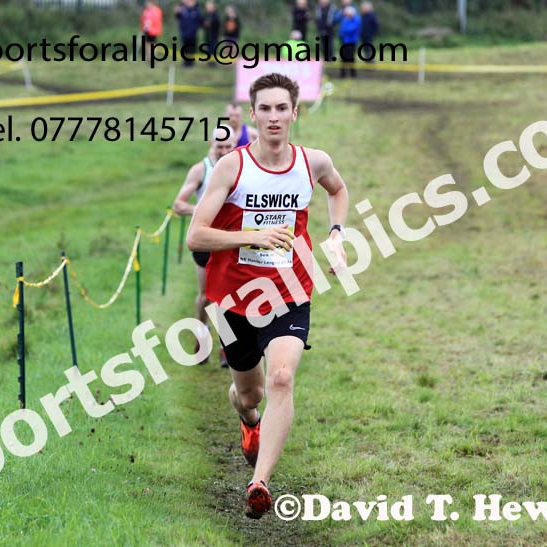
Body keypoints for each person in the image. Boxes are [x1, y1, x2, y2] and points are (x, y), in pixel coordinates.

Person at [187, 73, 349, 519]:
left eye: (283, 108)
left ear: (295, 113)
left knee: (281, 378)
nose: (274, 117)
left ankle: (259, 482)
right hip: (234, 298)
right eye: (266, 109)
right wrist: (252, 236)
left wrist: (336, 234)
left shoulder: (312, 162)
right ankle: (248, 422)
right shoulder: (231, 167)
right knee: (251, 394)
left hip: (290, 291)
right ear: (252, 115)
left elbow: (338, 190)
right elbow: (195, 235)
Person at [172, 126, 236, 366]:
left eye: (228, 146)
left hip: (229, 239)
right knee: (207, 297)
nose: (224, 151)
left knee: (228, 296)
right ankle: (201, 339)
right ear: (211, 144)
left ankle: (226, 348)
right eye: (219, 146)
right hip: (205, 239)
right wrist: (202, 213)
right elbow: (178, 204)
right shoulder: (200, 170)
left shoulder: (239, 166)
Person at [176, 0, 201, 67]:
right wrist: (178, 10)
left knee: (191, 49)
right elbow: (177, 16)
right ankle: (185, 62)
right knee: (185, 48)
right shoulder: (183, 10)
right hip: (184, 33)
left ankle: (191, 63)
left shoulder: (197, 11)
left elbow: (200, 21)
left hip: (193, 34)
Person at [338, 6, 361, 78]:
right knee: (343, 58)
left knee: (351, 58)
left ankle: (353, 74)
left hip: (352, 42)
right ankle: (343, 74)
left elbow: (349, 30)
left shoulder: (357, 19)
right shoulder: (345, 19)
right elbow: (341, 30)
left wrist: (344, 31)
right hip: (344, 41)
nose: (347, 15)